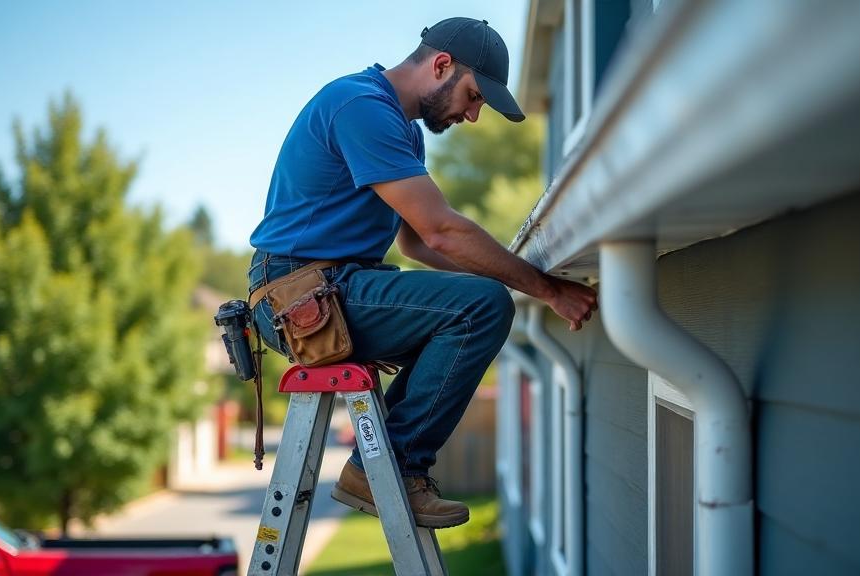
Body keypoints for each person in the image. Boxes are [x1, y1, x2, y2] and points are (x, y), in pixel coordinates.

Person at [247, 17, 597, 529]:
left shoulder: (403, 131)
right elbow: (441, 232)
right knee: (480, 308)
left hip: (335, 285)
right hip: (298, 293)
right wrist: (542, 289)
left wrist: (501, 276)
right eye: (475, 96)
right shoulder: (361, 106)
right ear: (441, 65)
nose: (474, 116)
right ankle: (392, 467)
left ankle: (381, 463)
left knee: (474, 309)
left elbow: (414, 241)